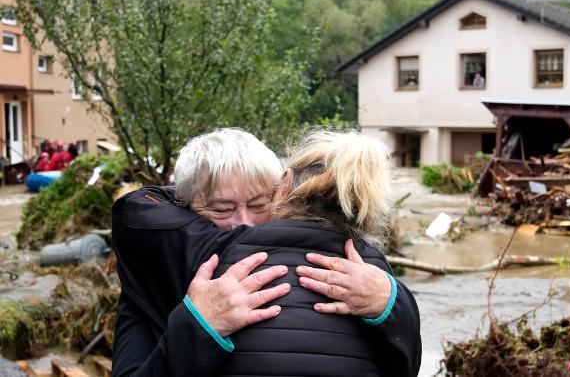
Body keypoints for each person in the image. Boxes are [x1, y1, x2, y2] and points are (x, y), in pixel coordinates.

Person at [112, 128, 420, 377]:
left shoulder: (363, 273)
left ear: (282, 192)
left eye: (259, 205)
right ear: (182, 206)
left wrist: (390, 301)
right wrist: (199, 325)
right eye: (222, 208)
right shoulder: (154, 266)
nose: (243, 224)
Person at [209, 130, 418, 376]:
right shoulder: (373, 275)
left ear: (285, 182)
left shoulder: (220, 254)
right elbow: (404, 367)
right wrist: (394, 300)